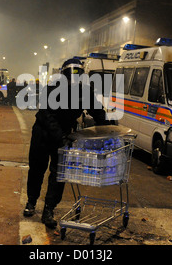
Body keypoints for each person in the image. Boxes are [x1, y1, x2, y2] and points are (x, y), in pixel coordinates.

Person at [23, 58, 110, 228]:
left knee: (58, 175)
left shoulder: (84, 92)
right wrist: (61, 137)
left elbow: (98, 111)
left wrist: (109, 131)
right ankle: (31, 202)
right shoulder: (51, 89)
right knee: (37, 169)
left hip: (62, 136)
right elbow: (48, 115)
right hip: (43, 133)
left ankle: (49, 209)